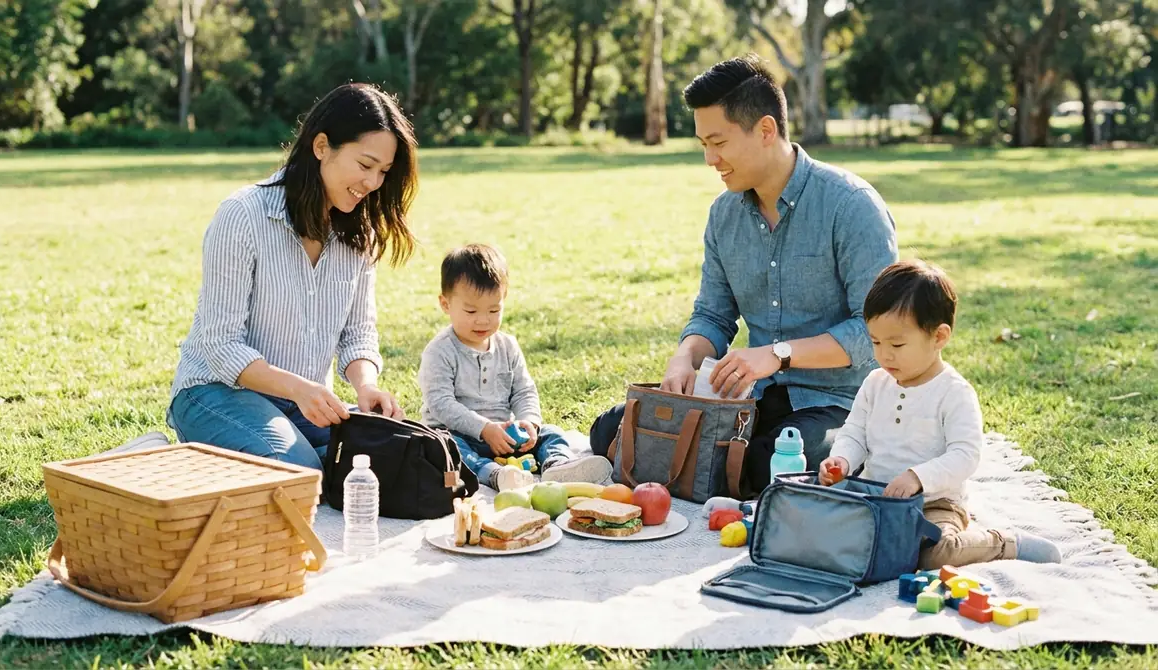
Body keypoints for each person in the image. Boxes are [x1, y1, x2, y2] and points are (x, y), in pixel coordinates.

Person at [587, 55, 898, 495]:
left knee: (773, 463)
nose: (710, 159)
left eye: (719, 142)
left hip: (839, 403)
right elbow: (713, 315)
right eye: (703, 144)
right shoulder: (724, 215)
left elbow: (874, 332)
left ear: (766, 130)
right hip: (753, 397)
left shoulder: (851, 206)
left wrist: (778, 354)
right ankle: (714, 466)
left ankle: (717, 467)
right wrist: (684, 358)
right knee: (611, 429)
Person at [167, 83, 414, 471]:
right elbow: (220, 345)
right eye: (365, 165)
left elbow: (358, 333)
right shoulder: (243, 215)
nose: (373, 183)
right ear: (321, 147)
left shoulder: (358, 235)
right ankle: (165, 462)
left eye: (383, 172)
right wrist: (299, 389)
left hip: (303, 404)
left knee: (392, 458)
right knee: (300, 471)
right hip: (214, 393)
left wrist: (366, 386)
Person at [820, 261, 1062, 568]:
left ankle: (1004, 543)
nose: (884, 354)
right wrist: (841, 460)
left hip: (935, 504)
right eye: (876, 342)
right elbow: (855, 432)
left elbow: (965, 455)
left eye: (897, 343)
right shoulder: (875, 383)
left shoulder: (953, 392)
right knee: (832, 536)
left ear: (939, 337)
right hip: (877, 498)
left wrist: (917, 478)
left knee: (936, 551)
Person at [418, 244, 615, 491]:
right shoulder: (440, 351)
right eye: (471, 311)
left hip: (505, 435)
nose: (483, 320)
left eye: (494, 310)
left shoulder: (507, 346)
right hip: (460, 432)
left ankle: (558, 465)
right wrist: (483, 429)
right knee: (445, 446)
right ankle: (494, 474)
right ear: (445, 304)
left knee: (551, 433)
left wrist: (528, 422)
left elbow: (524, 391)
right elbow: (441, 403)